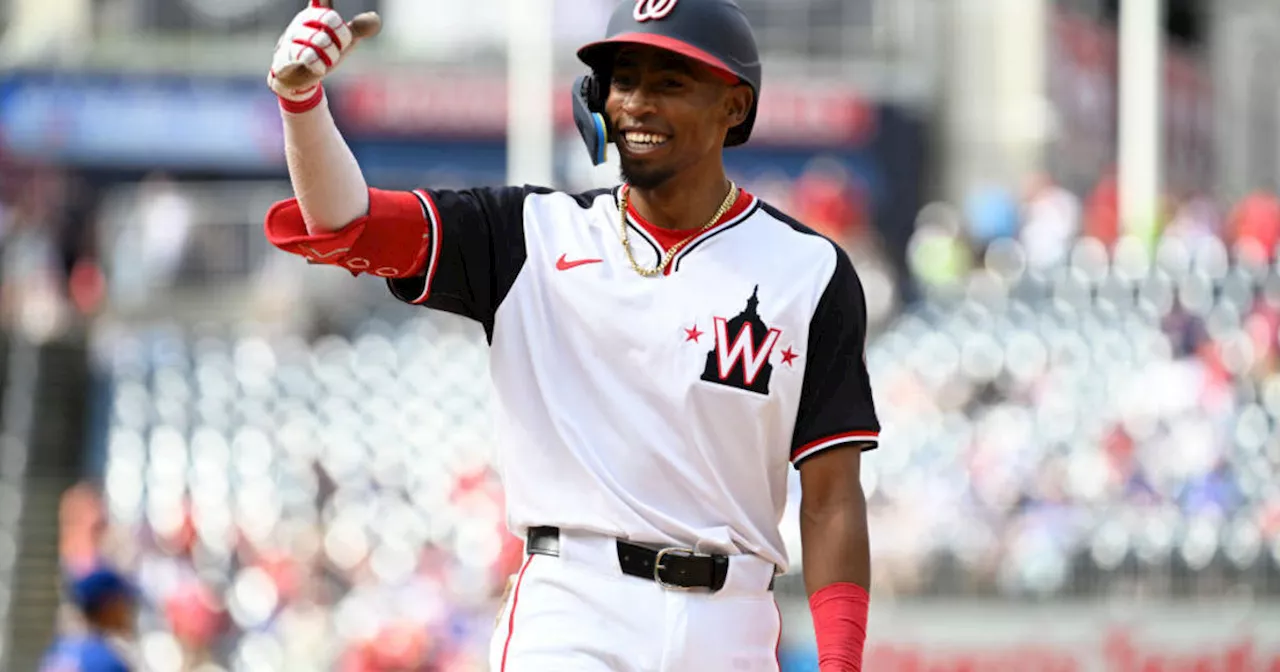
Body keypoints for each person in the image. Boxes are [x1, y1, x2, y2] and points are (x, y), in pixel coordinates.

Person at [264, 0, 879, 669]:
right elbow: (345, 221)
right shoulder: (529, 233)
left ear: (734, 105)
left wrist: (840, 663)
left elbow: (832, 499)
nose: (639, 102)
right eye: (624, 79)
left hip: (732, 621)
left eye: (670, 82)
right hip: (574, 608)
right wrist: (304, 104)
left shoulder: (808, 271)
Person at [40, 567, 139, 672]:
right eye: (123, 601)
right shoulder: (107, 662)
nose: (128, 609)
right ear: (108, 606)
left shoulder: (58, 649)